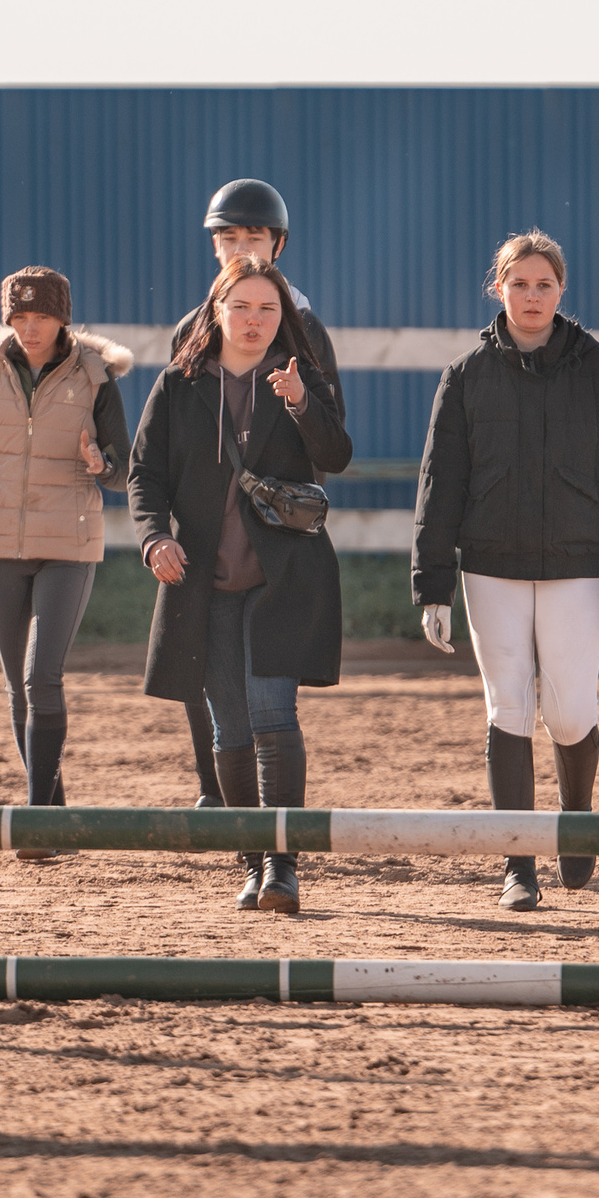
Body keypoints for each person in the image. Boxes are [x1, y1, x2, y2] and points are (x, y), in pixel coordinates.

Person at [412, 232, 599, 911]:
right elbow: (440, 485)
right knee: (510, 709)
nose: (531, 296)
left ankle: (575, 821)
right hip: (490, 566)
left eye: (543, 285)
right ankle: (517, 863)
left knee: (571, 711)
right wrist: (432, 582)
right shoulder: (465, 376)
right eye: (518, 284)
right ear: (498, 289)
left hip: (577, 566)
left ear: (561, 290)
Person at [131, 256, 351, 913]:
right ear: (217, 310)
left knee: (273, 714)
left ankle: (283, 865)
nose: (254, 320)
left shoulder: (299, 377)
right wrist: (154, 538)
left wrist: (302, 403)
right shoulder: (178, 384)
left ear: (283, 316)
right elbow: (145, 475)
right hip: (203, 581)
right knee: (230, 728)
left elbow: (336, 455)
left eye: (268, 309)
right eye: (242, 307)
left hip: (284, 577)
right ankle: (251, 862)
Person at [0, 268, 133, 851]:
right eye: (20, 318)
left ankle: (36, 823)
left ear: (63, 320)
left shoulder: (96, 377)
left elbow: (125, 469)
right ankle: (54, 813)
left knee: (42, 676)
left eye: (42, 318)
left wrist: (101, 465)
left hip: (68, 545)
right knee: (18, 686)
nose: (30, 329)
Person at [167, 178, 346, 815]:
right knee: (206, 671)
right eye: (230, 236)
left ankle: (275, 838)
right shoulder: (193, 328)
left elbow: (330, 438)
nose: (242, 246)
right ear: (215, 245)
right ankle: (214, 790)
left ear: (278, 245)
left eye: (255, 236)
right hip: (207, 532)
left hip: (275, 533)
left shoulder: (305, 328)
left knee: (269, 698)